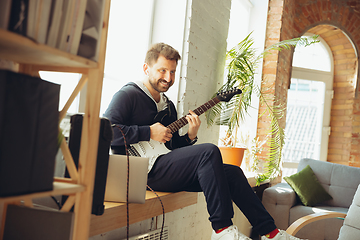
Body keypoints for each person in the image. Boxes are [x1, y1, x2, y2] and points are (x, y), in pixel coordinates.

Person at [104, 43, 304, 240]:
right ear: (146, 68)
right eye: (162, 70)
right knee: (209, 151)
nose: (168, 78)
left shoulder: (168, 106)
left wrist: (190, 136)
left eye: (172, 72)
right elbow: (106, 131)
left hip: (163, 166)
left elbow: (170, 148)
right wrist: (147, 132)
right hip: (142, 173)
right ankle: (222, 229)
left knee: (233, 173)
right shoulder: (128, 95)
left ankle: (271, 233)